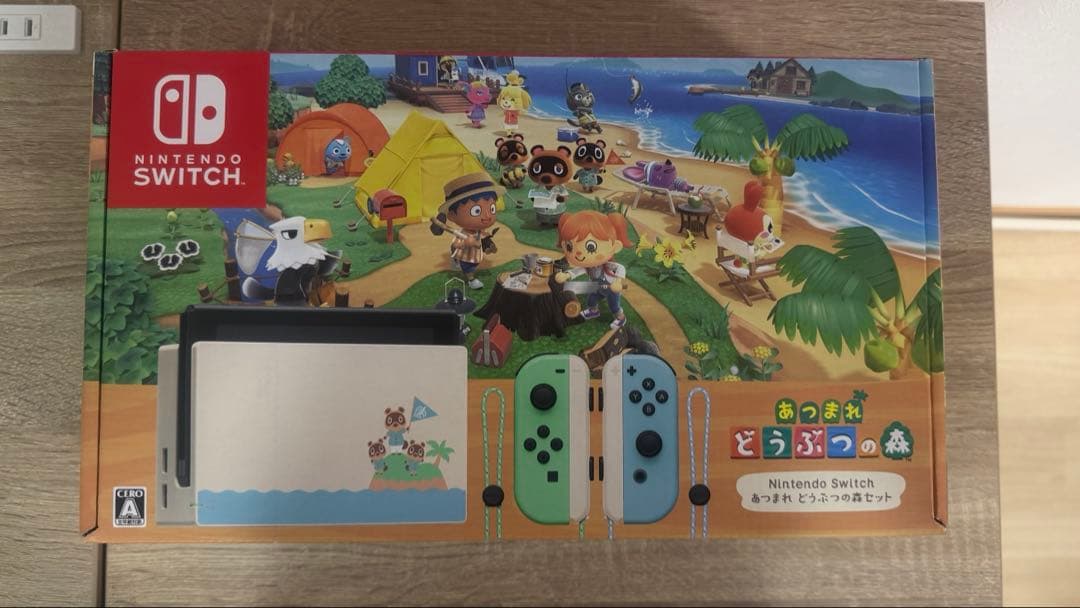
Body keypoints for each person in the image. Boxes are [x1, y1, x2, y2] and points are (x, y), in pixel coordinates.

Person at [554, 210, 634, 328]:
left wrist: (617, 281)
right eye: (570, 247)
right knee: (591, 299)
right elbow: (578, 270)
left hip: (611, 289)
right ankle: (593, 311)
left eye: (590, 247)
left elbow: (620, 268)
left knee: (614, 306)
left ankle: (621, 318)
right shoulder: (588, 266)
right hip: (597, 287)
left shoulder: (607, 265)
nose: (579, 254)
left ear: (616, 247)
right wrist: (567, 275)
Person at [430, 172, 503, 289]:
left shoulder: (479, 231)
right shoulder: (463, 234)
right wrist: (466, 243)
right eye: (476, 211)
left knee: (475, 263)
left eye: (492, 209)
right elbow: (455, 244)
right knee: (468, 267)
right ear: (452, 216)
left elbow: (482, 237)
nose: (487, 216)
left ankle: (458, 262)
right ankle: (471, 280)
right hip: (466, 256)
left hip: (476, 255)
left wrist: (489, 243)